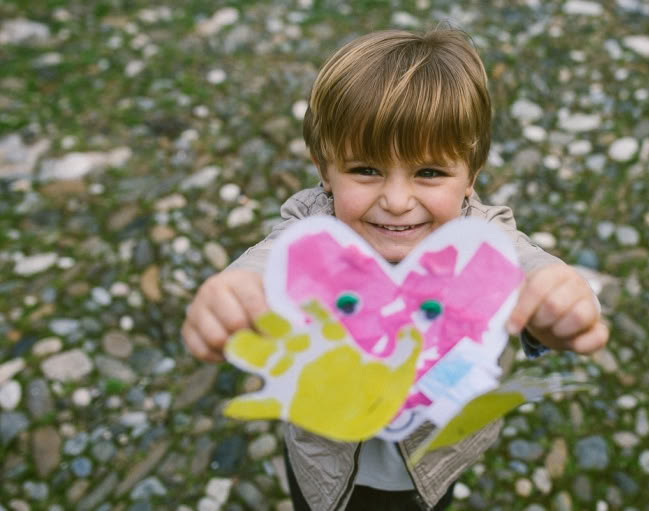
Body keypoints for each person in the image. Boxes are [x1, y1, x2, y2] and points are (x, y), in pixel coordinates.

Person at [182, 28, 608, 511]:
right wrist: (237, 290)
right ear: (325, 169)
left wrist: (563, 303)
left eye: (429, 173)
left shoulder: (482, 241)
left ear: (471, 174)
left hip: (431, 464)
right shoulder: (315, 228)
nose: (397, 201)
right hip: (324, 463)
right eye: (366, 169)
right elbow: (270, 263)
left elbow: (533, 272)